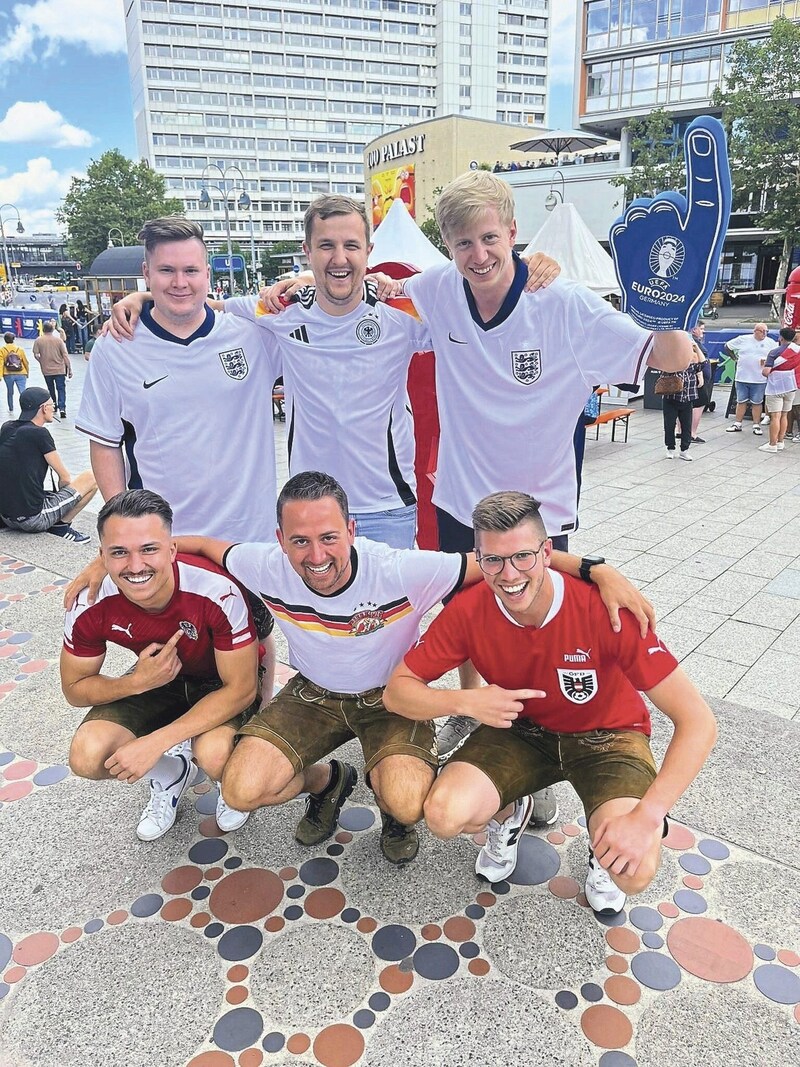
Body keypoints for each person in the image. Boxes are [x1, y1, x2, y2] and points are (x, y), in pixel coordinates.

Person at [68, 471, 657, 864]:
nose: (315, 555)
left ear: (353, 529)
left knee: (406, 802)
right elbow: (194, 544)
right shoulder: (262, 563)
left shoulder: (402, 569)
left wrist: (594, 568)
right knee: (241, 789)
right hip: (313, 694)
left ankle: (391, 807)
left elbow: (503, 559)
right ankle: (331, 784)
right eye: (299, 542)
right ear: (280, 540)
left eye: (329, 536)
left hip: (391, 697)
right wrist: (106, 561)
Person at [108, 196, 559, 551]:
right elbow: (199, 304)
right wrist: (142, 298)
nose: (339, 258)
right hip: (313, 512)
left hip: (388, 507)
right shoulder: (279, 310)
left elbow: (480, 295)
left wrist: (529, 266)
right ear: (308, 252)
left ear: (369, 251)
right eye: (326, 246)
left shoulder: (401, 310)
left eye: (350, 246)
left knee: (390, 635)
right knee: (319, 634)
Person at [383, 491, 717, 914]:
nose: (509, 575)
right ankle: (510, 810)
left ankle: (603, 846)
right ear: (478, 560)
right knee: (444, 815)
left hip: (608, 737)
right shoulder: (469, 609)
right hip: (522, 730)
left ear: (547, 553)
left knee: (633, 872)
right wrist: (466, 701)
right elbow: (397, 691)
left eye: (523, 556)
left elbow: (698, 721)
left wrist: (649, 816)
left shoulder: (607, 608)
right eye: (493, 561)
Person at [77, 217, 282, 689]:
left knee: (255, 631)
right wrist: (119, 526)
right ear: (146, 274)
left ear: (209, 273)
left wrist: (305, 278)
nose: (180, 282)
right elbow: (105, 443)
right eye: (166, 271)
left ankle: (258, 721)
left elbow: (315, 303)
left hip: (245, 531)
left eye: (191, 270)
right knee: (179, 641)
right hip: (168, 537)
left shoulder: (252, 335)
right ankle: (189, 736)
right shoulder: (116, 347)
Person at [63, 490, 259, 840]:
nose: (135, 566)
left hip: (221, 680)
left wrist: (156, 741)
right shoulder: (88, 602)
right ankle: (171, 773)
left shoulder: (215, 590)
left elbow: (242, 688)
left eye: (149, 549)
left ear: (172, 550)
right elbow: (75, 689)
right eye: (119, 552)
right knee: (88, 755)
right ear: (102, 556)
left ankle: (220, 774)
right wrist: (136, 682)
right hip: (155, 679)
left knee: (214, 755)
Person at [0, 387, 96, 542]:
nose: (54, 408)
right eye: (52, 405)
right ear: (43, 408)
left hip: (6, 516)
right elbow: (64, 477)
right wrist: (64, 498)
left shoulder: (7, 427)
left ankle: (54, 519)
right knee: (92, 477)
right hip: (32, 519)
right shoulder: (40, 433)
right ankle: (61, 527)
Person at [724, 323, 773, 434]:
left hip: (759, 378)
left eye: (766, 331)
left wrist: (768, 363)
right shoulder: (743, 339)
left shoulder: (770, 342)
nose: (764, 334)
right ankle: (738, 423)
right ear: (755, 331)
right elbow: (727, 346)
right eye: (762, 331)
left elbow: (776, 355)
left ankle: (756, 424)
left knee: (757, 402)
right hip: (742, 377)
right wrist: (734, 358)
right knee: (741, 401)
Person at [760, 328, 800, 454]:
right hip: (791, 386)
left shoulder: (774, 352)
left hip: (775, 387)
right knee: (784, 415)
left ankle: (772, 444)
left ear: (780, 338)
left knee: (775, 416)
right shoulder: (797, 350)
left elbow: (766, 372)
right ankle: (780, 442)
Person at [660, 353, 703, 461]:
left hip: (687, 398)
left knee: (686, 426)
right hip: (671, 397)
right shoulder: (671, 360)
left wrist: (695, 347)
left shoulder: (693, 361)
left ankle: (684, 450)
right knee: (669, 425)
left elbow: (703, 363)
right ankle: (670, 448)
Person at [33, 319, 71, 419]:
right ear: (52, 329)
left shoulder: (38, 340)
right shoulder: (58, 340)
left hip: (46, 370)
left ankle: (54, 405)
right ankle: (62, 407)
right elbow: (65, 355)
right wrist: (69, 368)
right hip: (59, 369)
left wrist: (42, 361)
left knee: (51, 389)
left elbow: (36, 354)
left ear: (43, 329)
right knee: (61, 389)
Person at [1, 331, 29, 414]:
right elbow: (25, 362)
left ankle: (11, 407)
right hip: (21, 372)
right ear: (14, 339)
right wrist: (27, 372)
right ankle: (26, 407)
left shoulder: (2, 350)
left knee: (10, 391)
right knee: (22, 391)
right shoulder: (20, 349)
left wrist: (0, 375)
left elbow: (1, 363)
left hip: (8, 373)